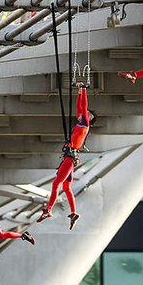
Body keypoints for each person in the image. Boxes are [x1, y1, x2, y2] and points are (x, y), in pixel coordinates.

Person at [37, 83, 96, 229]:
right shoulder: (82, 123)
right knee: (66, 186)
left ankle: (48, 210)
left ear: (89, 119)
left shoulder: (85, 123)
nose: (86, 113)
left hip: (70, 157)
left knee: (57, 184)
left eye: (89, 115)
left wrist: (83, 90)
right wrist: (78, 91)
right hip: (70, 157)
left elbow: (83, 105)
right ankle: (74, 212)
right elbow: (79, 107)